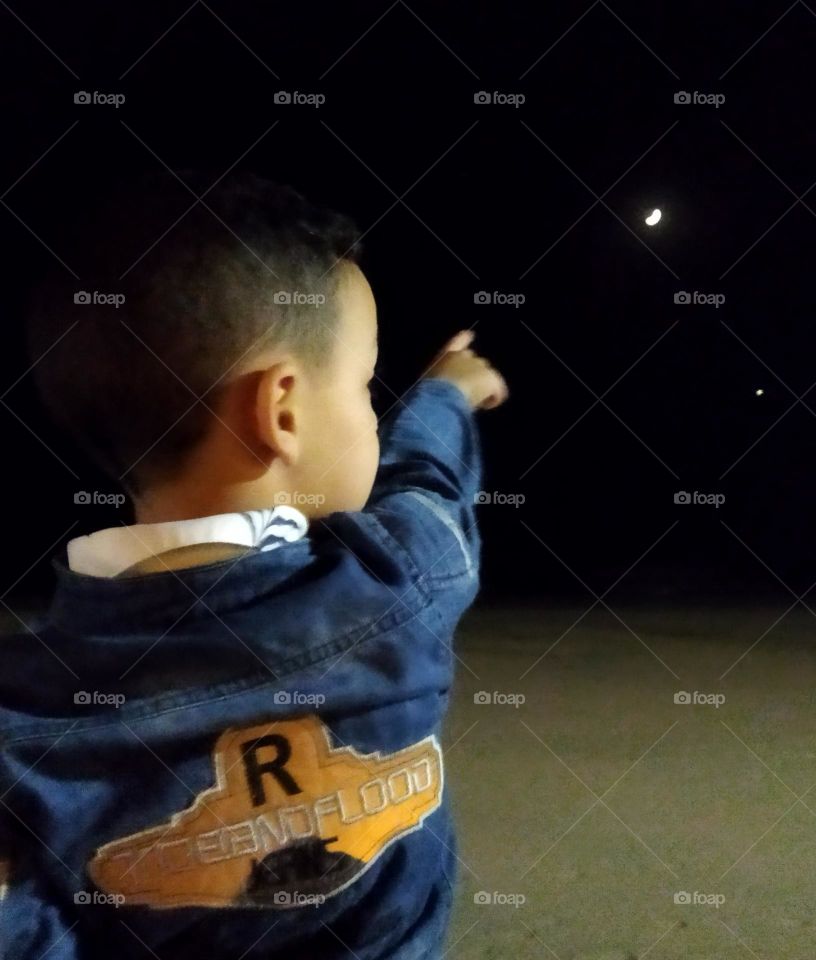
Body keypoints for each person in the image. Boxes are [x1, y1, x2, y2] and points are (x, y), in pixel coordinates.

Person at [0, 171, 508, 959]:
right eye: (365, 387)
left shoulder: (27, 713)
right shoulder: (396, 584)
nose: (375, 415)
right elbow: (425, 482)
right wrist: (446, 393)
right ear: (281, 412)